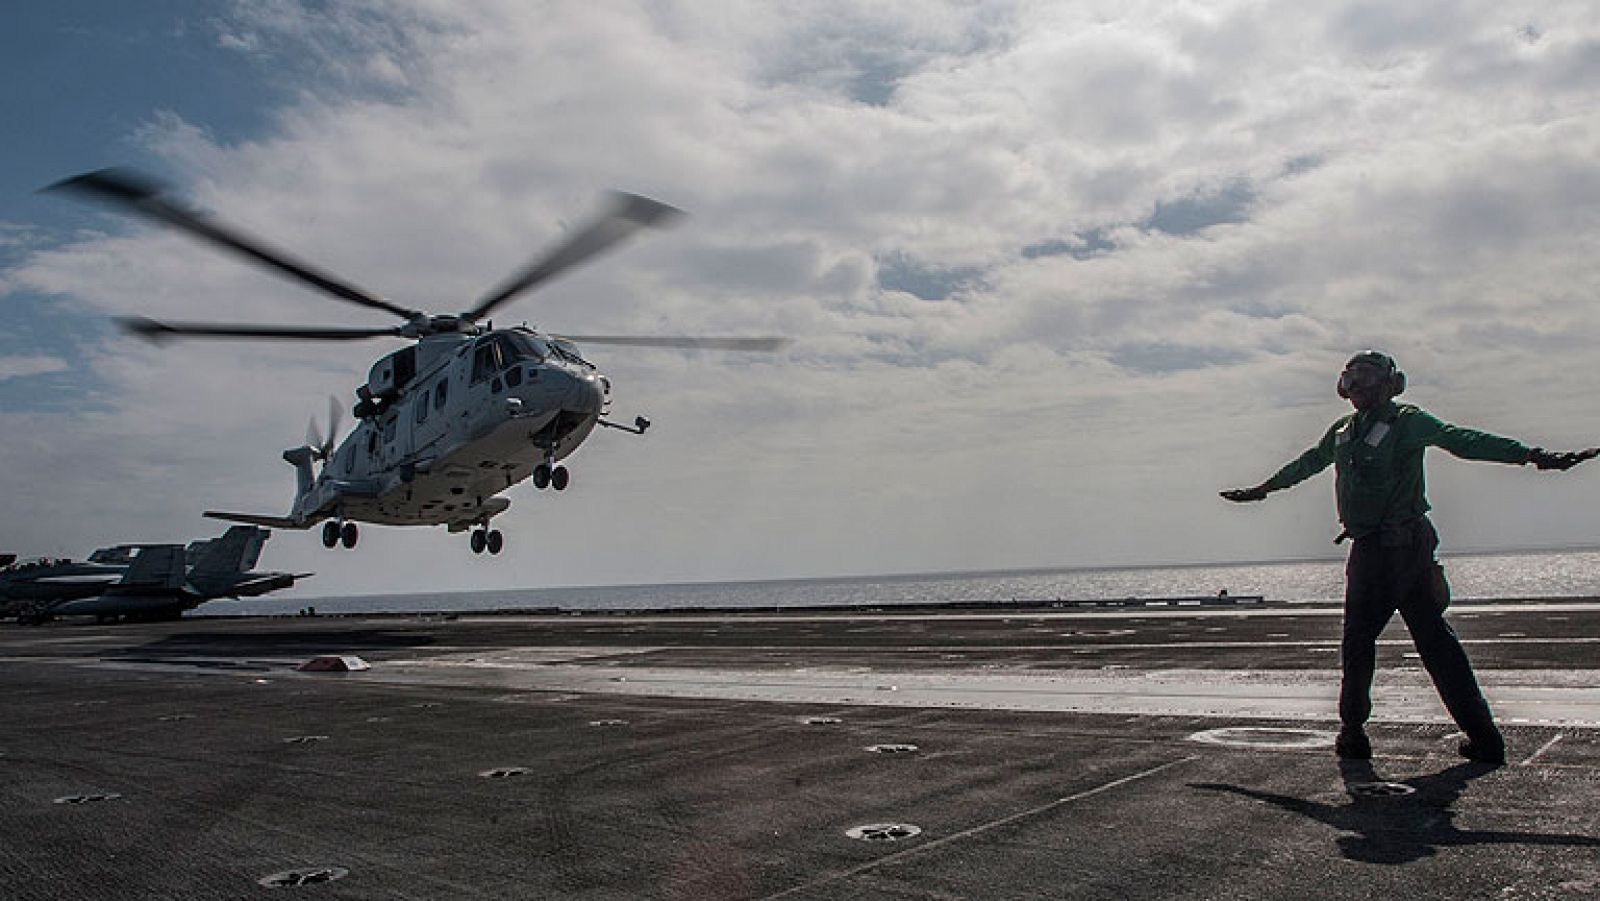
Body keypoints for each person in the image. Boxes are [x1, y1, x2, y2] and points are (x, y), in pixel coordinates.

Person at [1221, 350, 1596, 765]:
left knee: (1393, 641)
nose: (1357, 384)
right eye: (1352, 376)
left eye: (1365, 375)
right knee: (1398, 642)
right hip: (1371, 549)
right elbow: (1309, 463)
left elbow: (1462, 440)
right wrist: (1264, 489)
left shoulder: (1407, 421)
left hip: (1403, 548)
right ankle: (1441, 736)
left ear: (1389, 383)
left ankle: (1389, 733)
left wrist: (1532, 455)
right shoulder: (1343, 431)